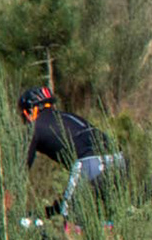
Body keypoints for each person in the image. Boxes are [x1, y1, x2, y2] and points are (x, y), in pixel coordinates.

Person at [17, 86, 123, 220]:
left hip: (90, 161)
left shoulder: (35, 127)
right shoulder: (67, 117)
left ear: (30, 111)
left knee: (70, 218)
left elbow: (21, 170)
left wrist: (8, 207)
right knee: (106, 215)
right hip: (119, 158)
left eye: (23, 115)